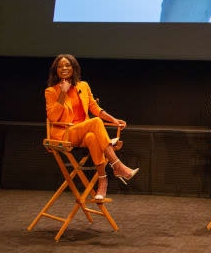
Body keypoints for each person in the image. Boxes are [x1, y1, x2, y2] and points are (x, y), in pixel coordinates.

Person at [44, 54, 139, 200]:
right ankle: (117, 165)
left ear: (74, 68)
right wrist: (63, 93)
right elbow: (53, 117)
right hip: (66, 133)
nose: (64, 68)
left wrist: (114, 120)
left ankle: (102, 182)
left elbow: (95, 108)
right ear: (55, 70)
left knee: (92, 137)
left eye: (67, 65)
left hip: (83, 132)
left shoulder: (83, 86)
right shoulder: (51, 91)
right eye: (60, 66)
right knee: (95, 122)